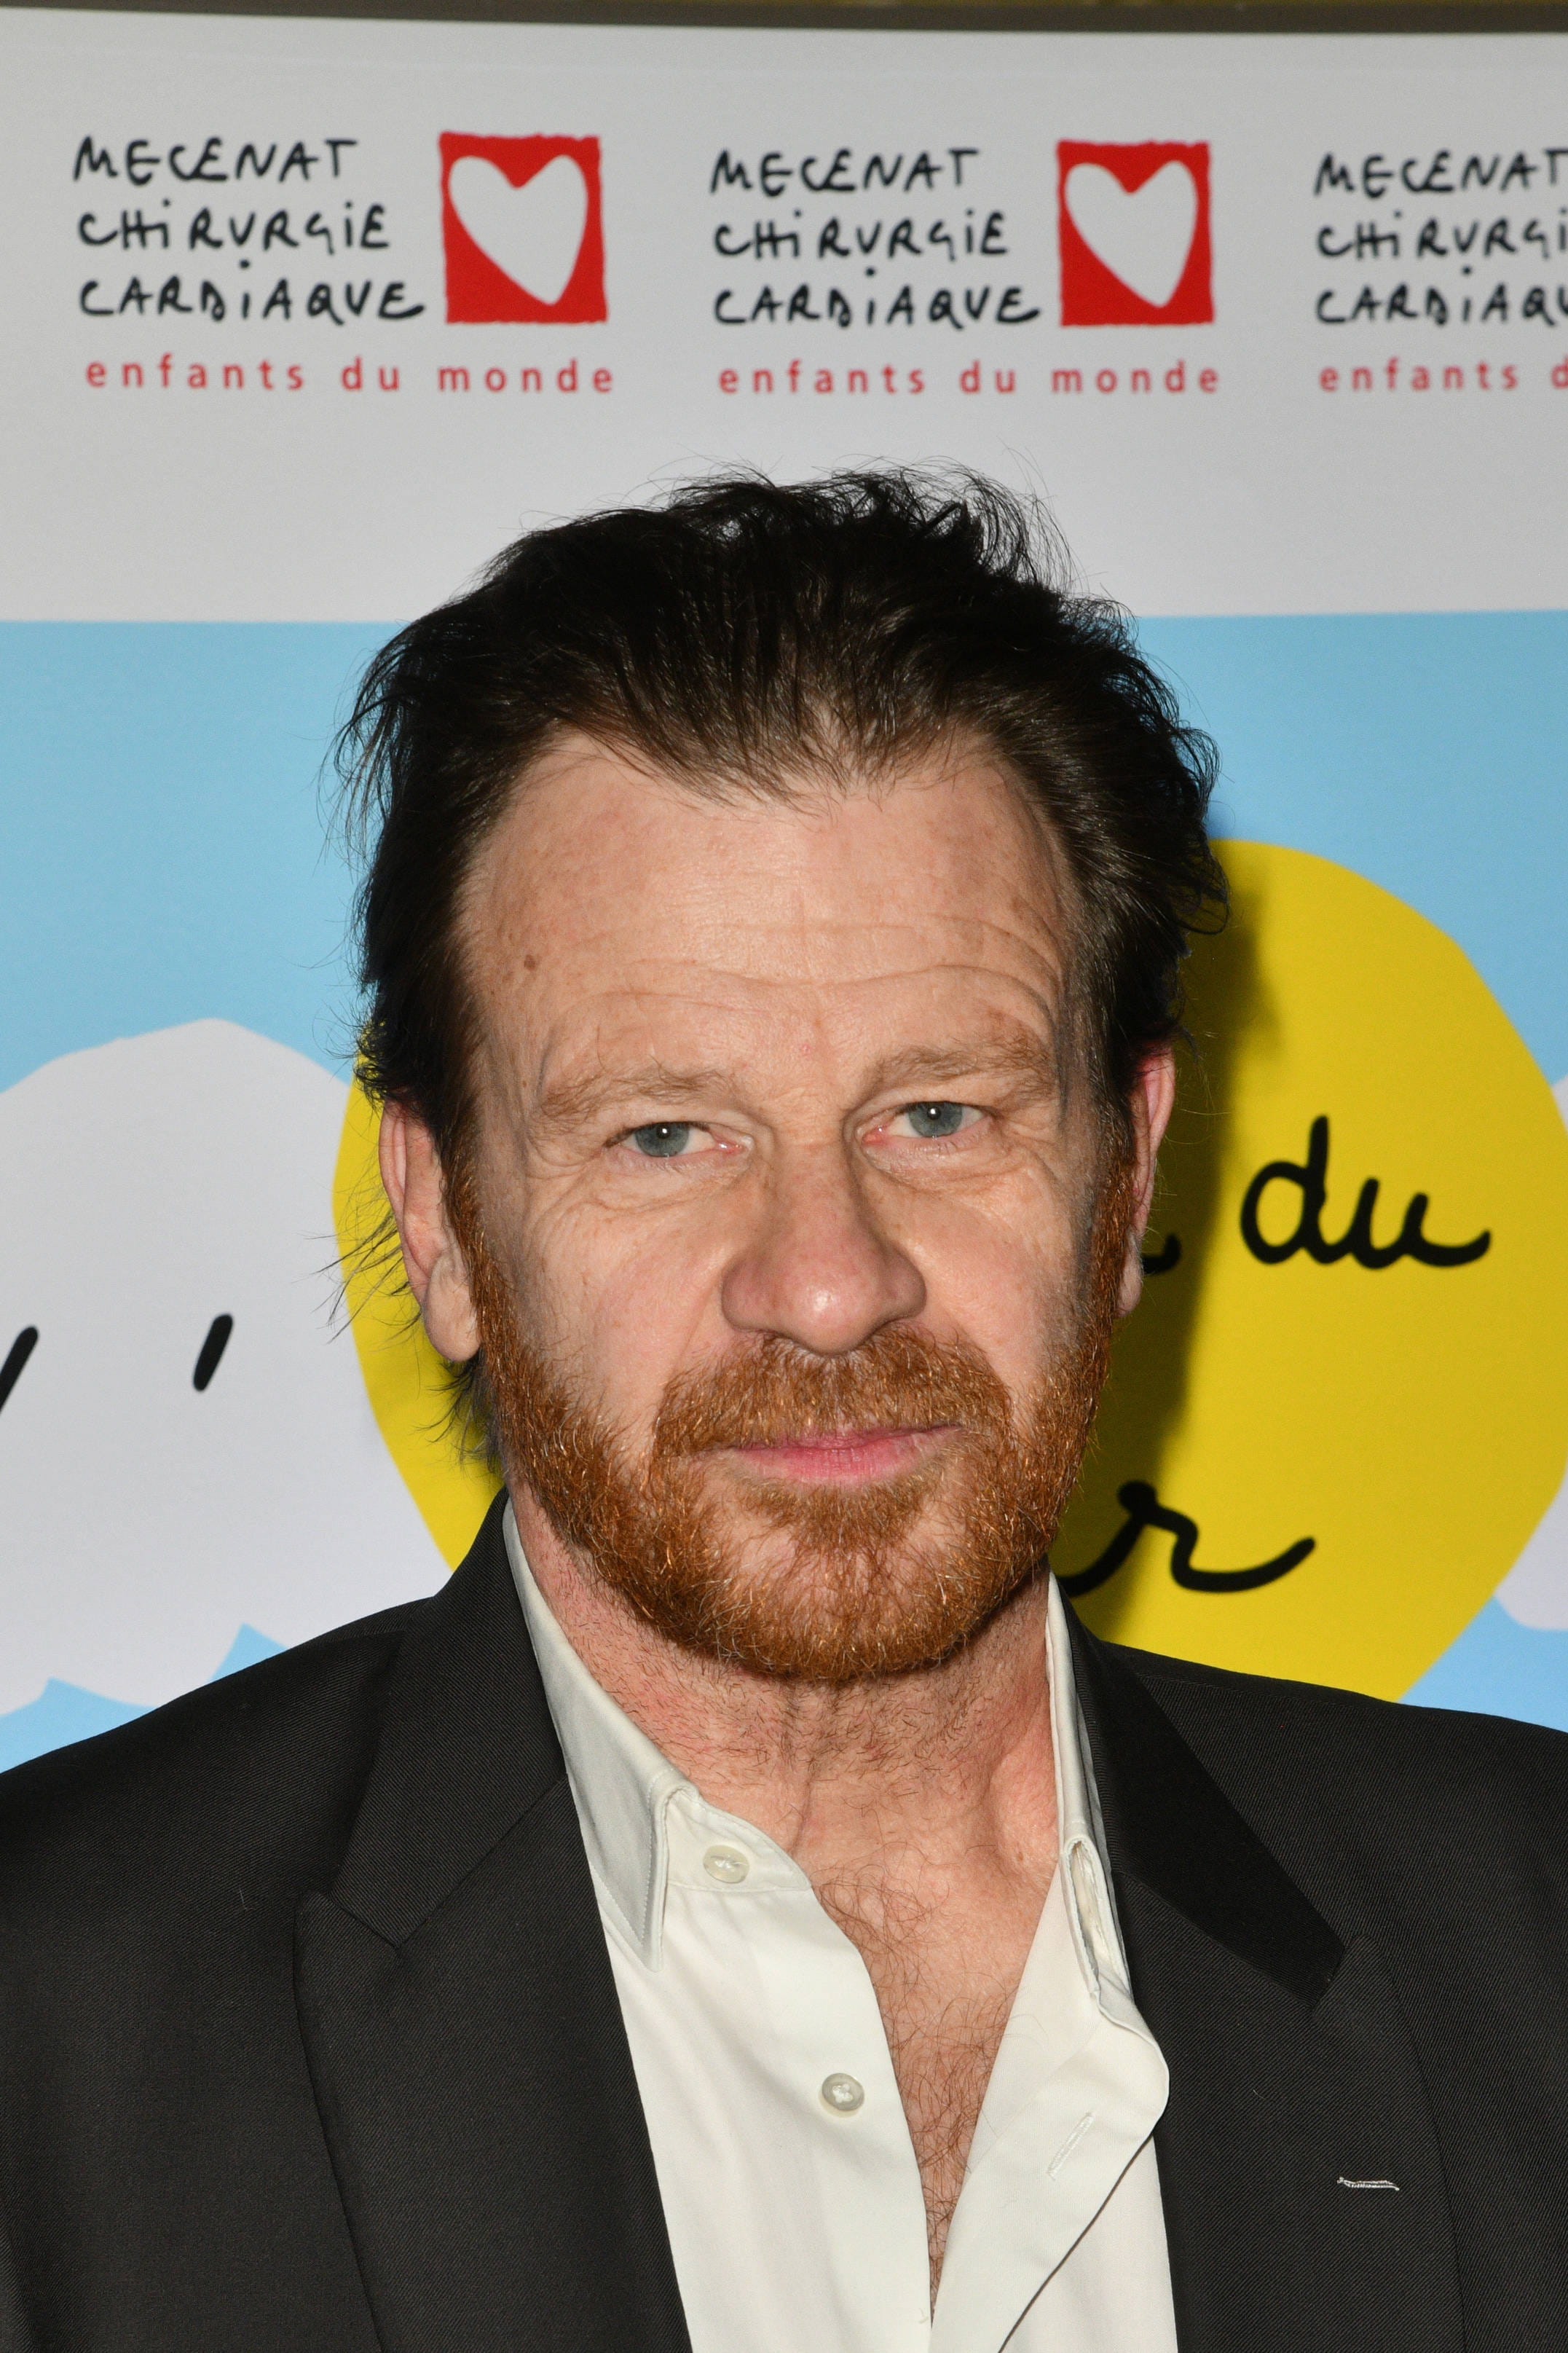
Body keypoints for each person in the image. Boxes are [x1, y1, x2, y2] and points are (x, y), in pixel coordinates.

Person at [1, 471, 1564, 2353]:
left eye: (940, 1115)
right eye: (666, 1134)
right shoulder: (48, 2028)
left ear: (1129, 1169)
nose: (826, 1284)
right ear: (444, 1219)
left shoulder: (1531, 1943)